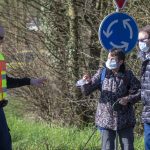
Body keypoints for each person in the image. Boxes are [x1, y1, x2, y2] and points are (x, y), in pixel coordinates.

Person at [77, 48, 141, 150]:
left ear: (121, 62)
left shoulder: (128, 75)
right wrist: (85, 82)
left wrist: (128, 99)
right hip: (105, 120)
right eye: (108, 58)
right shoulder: (102, 73)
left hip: (125, 121)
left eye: (112, 59)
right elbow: (86, 91)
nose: (109, 61)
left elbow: (139, 91)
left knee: (128, 147)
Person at [0, 26, 46, 150]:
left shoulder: (0, 58)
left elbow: (6, 81)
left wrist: (30, 81)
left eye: (2, 38)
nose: (1, 42)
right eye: (0, 38)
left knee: (5, 144)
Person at [137, 25, 150, 150]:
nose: (140, 43)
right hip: (147, 113)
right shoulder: (144, 60)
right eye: (138, 41)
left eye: (143, 40)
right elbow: (144, 88)